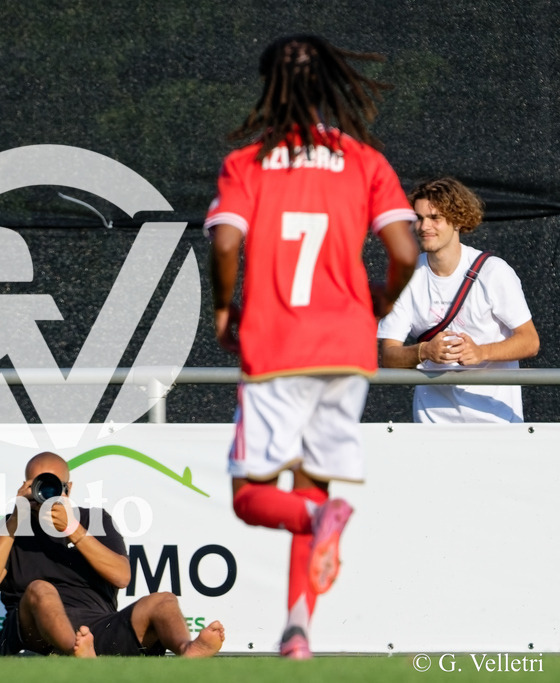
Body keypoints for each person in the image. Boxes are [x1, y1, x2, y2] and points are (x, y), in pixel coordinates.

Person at [205, 35, 418, 659]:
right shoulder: (364, 160)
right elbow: (405, 251)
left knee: (251, 498)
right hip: (347, 348)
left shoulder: (248, 162)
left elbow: (225, 243)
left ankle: (317, 525)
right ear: (329, 85)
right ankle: (297, 631)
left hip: (277, 345)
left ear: (268, 88)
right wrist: (381, 300)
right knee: (313, 487)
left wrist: (223, 307)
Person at [0, 451, 226, 658]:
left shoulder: (94, 520)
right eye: (38, 485)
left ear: (68, 488)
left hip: (97, 628)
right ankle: (74, 650)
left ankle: (187, 648)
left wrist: (73, 530)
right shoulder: (11, 526)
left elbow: (122, 577)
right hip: (34, 629)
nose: (45, 493)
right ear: (26, 486)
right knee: (40, 589)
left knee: (164, 600)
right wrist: (16, 519)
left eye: (53, 485)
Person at [378, 177, 539, 422]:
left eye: (435, 218)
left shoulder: (494, 271)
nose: (424, 226)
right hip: (432, 425)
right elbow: (389, 356)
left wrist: (481, 352)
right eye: (419, 218)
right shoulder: (406, 276)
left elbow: (530, 341)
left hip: (496, 421)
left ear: (457, 220)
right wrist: (425, 351)